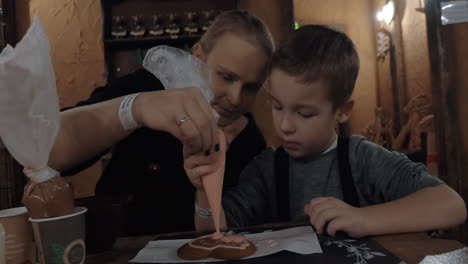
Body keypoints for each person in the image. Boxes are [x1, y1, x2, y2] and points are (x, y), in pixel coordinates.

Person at [186, 25, 466, 238]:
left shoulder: (363, 160)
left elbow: (451, 205)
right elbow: (214, 231)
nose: (284, 125)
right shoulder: (265, 169)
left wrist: (363, 219)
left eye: (304, 113)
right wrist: (205, 188)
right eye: (277, 106)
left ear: (343, 110)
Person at [48, 10, 274, 251]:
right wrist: (136, 108)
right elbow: (50, 151)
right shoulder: (148, 86)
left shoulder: (250, 141)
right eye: (226, 77)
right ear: (197, 56)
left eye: (250, 87)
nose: (235, 98)